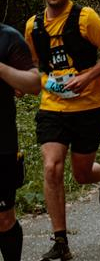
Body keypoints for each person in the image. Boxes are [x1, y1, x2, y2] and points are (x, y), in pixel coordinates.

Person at [25, 0, 100, 261]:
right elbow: (34, 67)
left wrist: (87, 77)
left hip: (90, 106)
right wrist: (45, 81)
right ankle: (61, 242)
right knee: (52, 167)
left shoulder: (85, 17)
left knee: (81, 174)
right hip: (52, 107)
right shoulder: (33, 26)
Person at [0, 14, 39, 261]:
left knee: (3, 218)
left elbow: (34, 84)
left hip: (1, 142)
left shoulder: (8, 38)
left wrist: (2, 69)